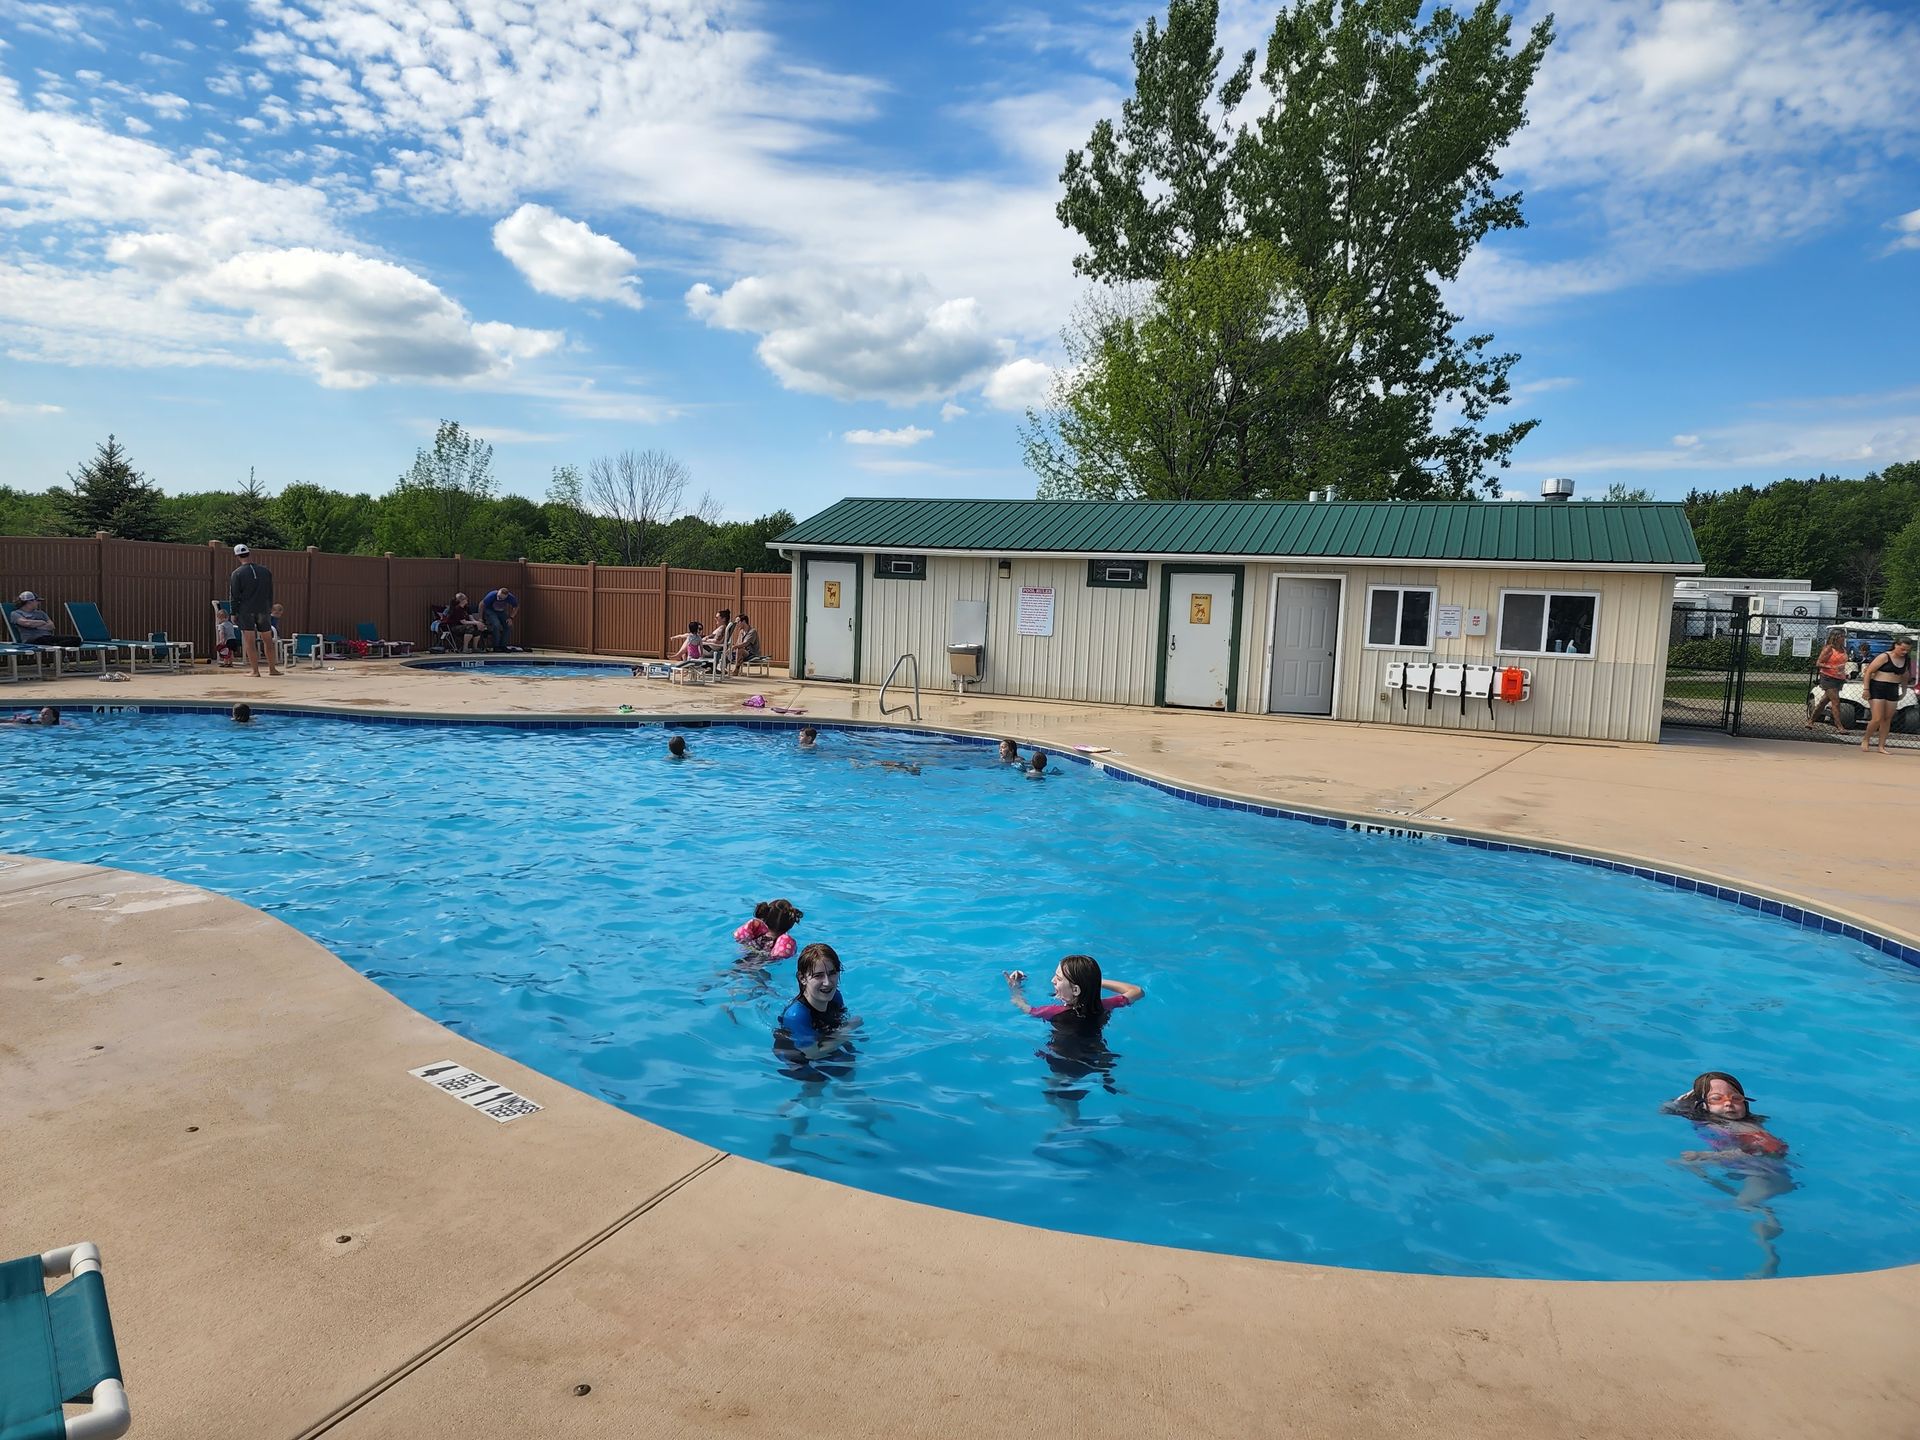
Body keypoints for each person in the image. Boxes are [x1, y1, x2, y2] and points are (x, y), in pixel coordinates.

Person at [1662, 1071, 1793, 1278]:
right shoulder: (1712, 1119)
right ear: (1703, 1105)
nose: (1728, 1104)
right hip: (1747, 1171)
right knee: (1747, 1201)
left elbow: (1761, 1152)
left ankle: (1769, 1256)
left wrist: (1703, 1155)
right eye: (1717, 1099)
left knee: (1746, 1204)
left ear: (1746, 1103)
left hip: (1766, 1174)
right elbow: (1666, 1111)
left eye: (1736, 1098)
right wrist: (1681, 1101)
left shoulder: (1747, 1127)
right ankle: (1766, 1220)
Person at [1005, 954, 1143, 1027]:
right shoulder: (1104, 1005)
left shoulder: (1052, 1011)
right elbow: (1137, 990)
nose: (1052, 980)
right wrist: (1092, 982)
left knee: (1056, 1081)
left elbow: (1022, 1006)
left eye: (1058, 978)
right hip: (1098, 1054)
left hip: (1063, 1061)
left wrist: (1015, 987)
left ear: (1076, 990)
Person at [775, 943, 859, 1061]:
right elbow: (812, 1055)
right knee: (816, 1079)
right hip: (795, 1054)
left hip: (821, 1041)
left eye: (832, 973)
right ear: (802, 978)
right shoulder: (796, 1016)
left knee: (849, 1061)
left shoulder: (835, 997)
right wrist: (848, 1028)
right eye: (818, 976)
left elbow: (837, 1025)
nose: (827, 983)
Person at [228, 544, 281, 678]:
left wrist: (233, 612)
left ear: (237, 556)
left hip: (246, 610)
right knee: (268, 640)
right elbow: (270, 591)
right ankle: (272, 669)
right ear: (250, 553)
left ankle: (255, 671)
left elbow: (234, 595)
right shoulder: (265, 571)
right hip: (263, 609)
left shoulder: (237, 573)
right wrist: (269, 607)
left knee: (250, 642)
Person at [1858, 636, 1913, 754]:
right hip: (1878, 687)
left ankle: (1881, 746)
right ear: (1896, 645)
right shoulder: (1884, 656)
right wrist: (1866, 689)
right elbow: (1868, 672)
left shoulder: (1906, 660)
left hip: (1892, 688)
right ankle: (1866, 739)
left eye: (1907, 650)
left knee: (1887, 719)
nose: (1905, 652)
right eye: (1902, 649)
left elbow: (1904, 676)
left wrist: (1903, 691)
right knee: (1877, 718)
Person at [1807, 627, 1849, 733]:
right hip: (1828, 677)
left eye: (1844, 636)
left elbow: (1843, 663)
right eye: (1842, 636)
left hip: (1839, 678)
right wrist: (1831, 667)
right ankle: (1839, 726)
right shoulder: (1829, 648)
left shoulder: (1843, 649)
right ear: (1836, 637)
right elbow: (1819, 663)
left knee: (1823, 701)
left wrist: (1845, 671)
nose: (1844, 638)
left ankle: (1811, 721)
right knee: (1836, 701)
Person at [735, 899, 803, 962]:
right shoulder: (782, 944)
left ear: (764, 918)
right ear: (790, 925)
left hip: (746, 955)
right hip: (762, 962)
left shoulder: (756, 936)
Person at [9, 592, 82, 648]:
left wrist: (35, 625)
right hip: (32, 640)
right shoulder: (15, 613)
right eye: (37, 601)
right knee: (43, 640)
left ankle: (54, 646)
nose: (38, 603)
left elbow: (52, 626)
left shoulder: (41, 613)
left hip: (47, 637)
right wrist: (42, 622)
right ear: (29, 602)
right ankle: (54, 646)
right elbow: (26, 623)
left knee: (76, 639)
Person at [480, 586, 520, 653]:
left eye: (501, 598)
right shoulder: (492, 595)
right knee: (496, 625)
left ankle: (503, 646)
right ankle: (496, 646)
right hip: (490, 610)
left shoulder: (510, 597)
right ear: (498, 592)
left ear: (506, 596)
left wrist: (511, 617)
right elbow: (481, 604)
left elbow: (516, 606)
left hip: (501, 611)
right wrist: (480, 618)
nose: (498, 598)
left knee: (508, 625)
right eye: (498, 596)